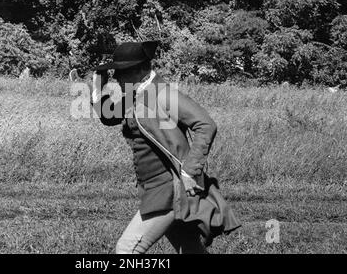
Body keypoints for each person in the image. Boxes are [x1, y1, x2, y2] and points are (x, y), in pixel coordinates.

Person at [90, 40, 241, 254]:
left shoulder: (161, 93)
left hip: (169, 189)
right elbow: (109, 116)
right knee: (190, 251)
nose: (116, 78)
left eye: (121, 72)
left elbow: (206, 124)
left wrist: (190, 170)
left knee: (126, 249)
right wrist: (98, 90)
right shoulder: (137, 94)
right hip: (154, 187)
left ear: (141, 70)